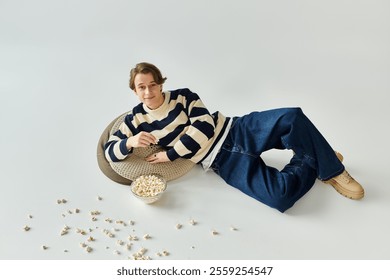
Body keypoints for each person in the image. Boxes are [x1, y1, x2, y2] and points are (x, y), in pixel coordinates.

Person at [105, 62, 364, 212]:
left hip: (235, 129)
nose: (148, 91)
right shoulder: (135, 120)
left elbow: (204, 126)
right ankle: (314, 158)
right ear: (135, 91)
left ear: (160, 83)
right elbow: (110, 151)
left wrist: (171, 154)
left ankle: (333, 169)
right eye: (142, 87)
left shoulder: (183, 96)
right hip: (221, 163)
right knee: (280, 198)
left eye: (152, 84)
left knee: (292, 117)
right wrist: (129, 141)